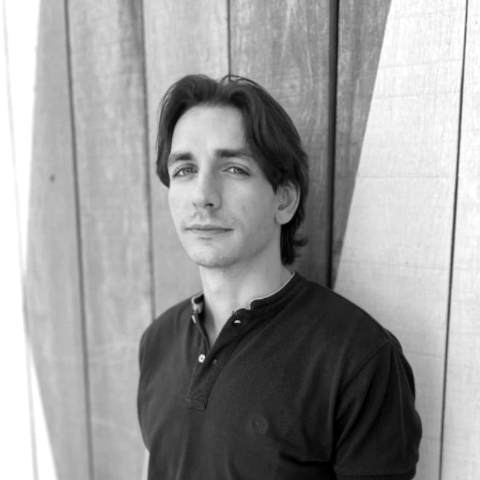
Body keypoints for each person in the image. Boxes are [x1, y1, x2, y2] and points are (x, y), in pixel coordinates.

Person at [137, 74, 422, 480]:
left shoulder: (359, 358)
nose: (202, 195)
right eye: (184, 169)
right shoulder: (157, 342)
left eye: (234, 168)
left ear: (284, 200)